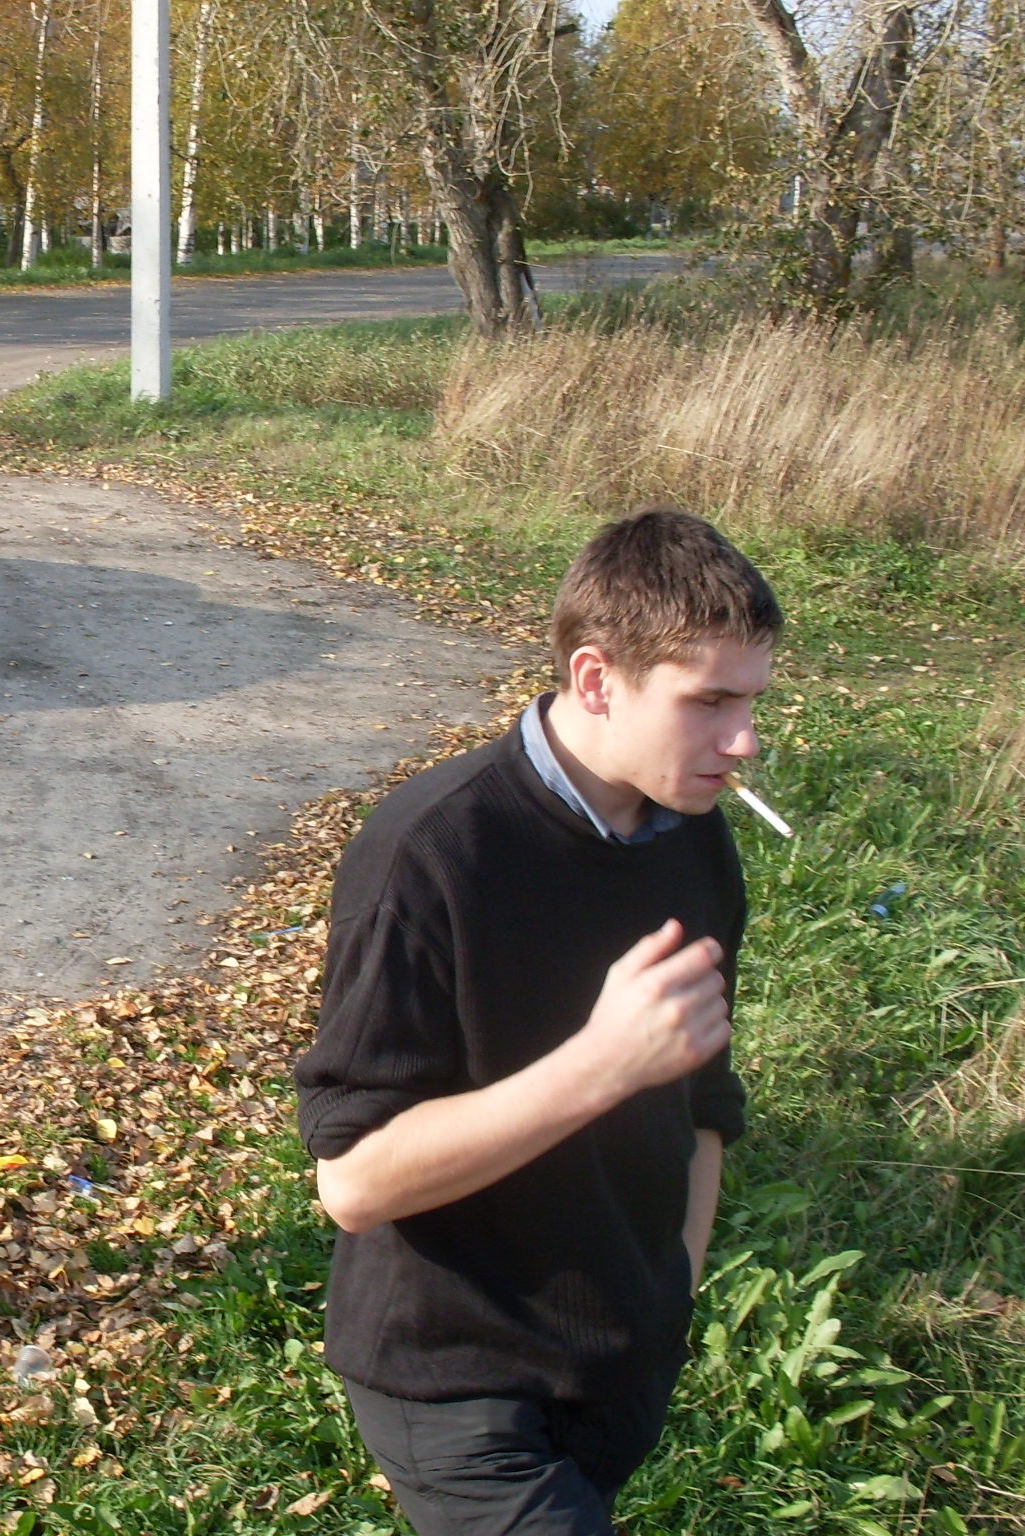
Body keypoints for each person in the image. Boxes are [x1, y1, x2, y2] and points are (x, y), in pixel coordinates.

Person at [294, 507, 782, 1534]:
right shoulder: (431, 851)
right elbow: (353, 1181)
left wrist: (673, 1282)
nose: (742, 742)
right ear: (595, 679)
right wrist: (598, 1064)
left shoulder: (693, 838)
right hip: (457, 1379)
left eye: (751, 701)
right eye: (708, 701)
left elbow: (704, 1093)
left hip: (620, 1364)